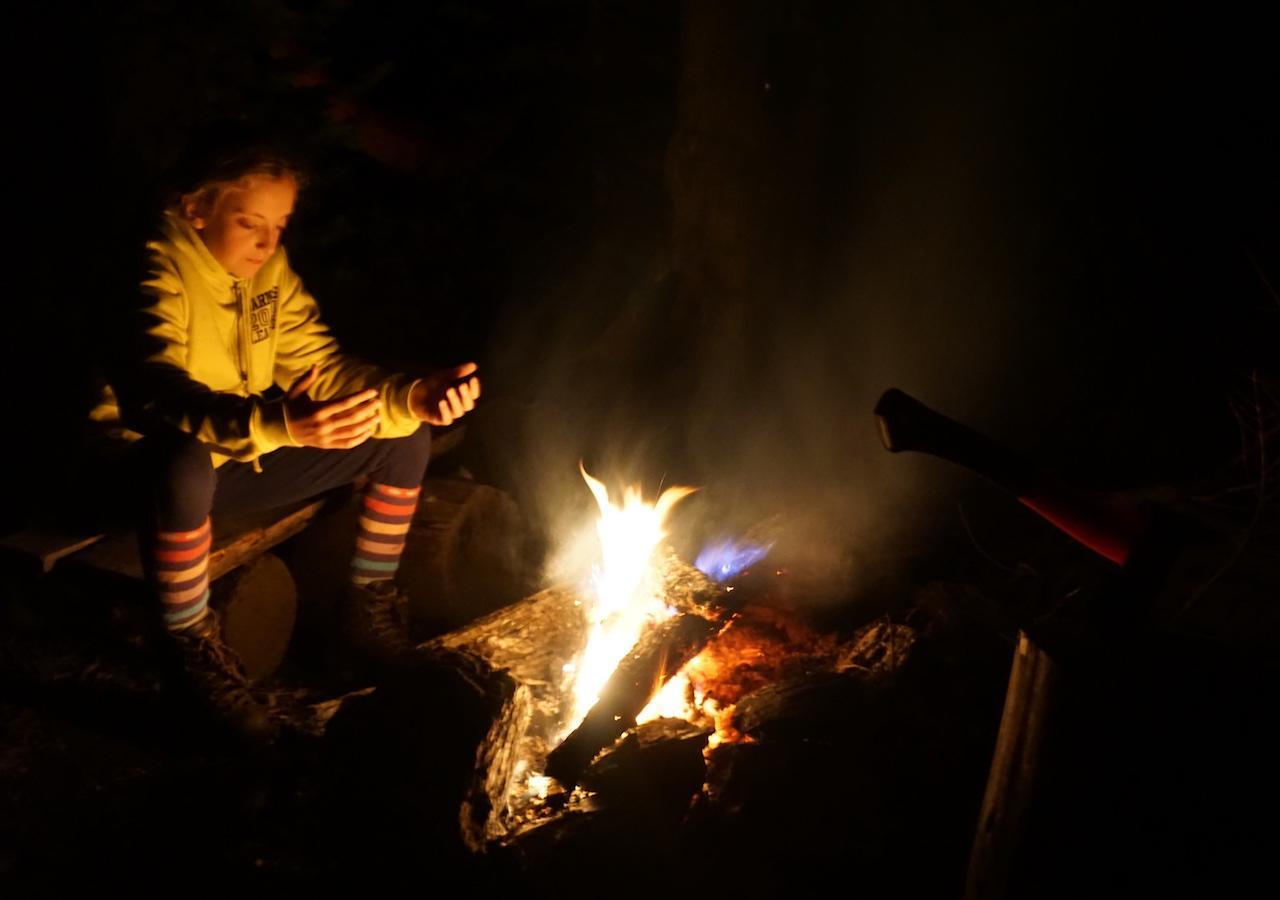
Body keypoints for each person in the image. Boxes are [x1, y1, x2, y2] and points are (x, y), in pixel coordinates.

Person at [89, 138, 481, 743]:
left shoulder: (263, 272)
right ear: (195, 209)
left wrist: (410, 397)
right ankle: (191, 652)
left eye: (279, 225)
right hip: (129, 475)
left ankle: (365, 614)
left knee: (398, 436)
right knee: (182, 459)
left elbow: (320, 365)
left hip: (231, 458)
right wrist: (278, 426)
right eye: (250, 223)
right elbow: (155, 392)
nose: (268, 243)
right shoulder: (152, 270)